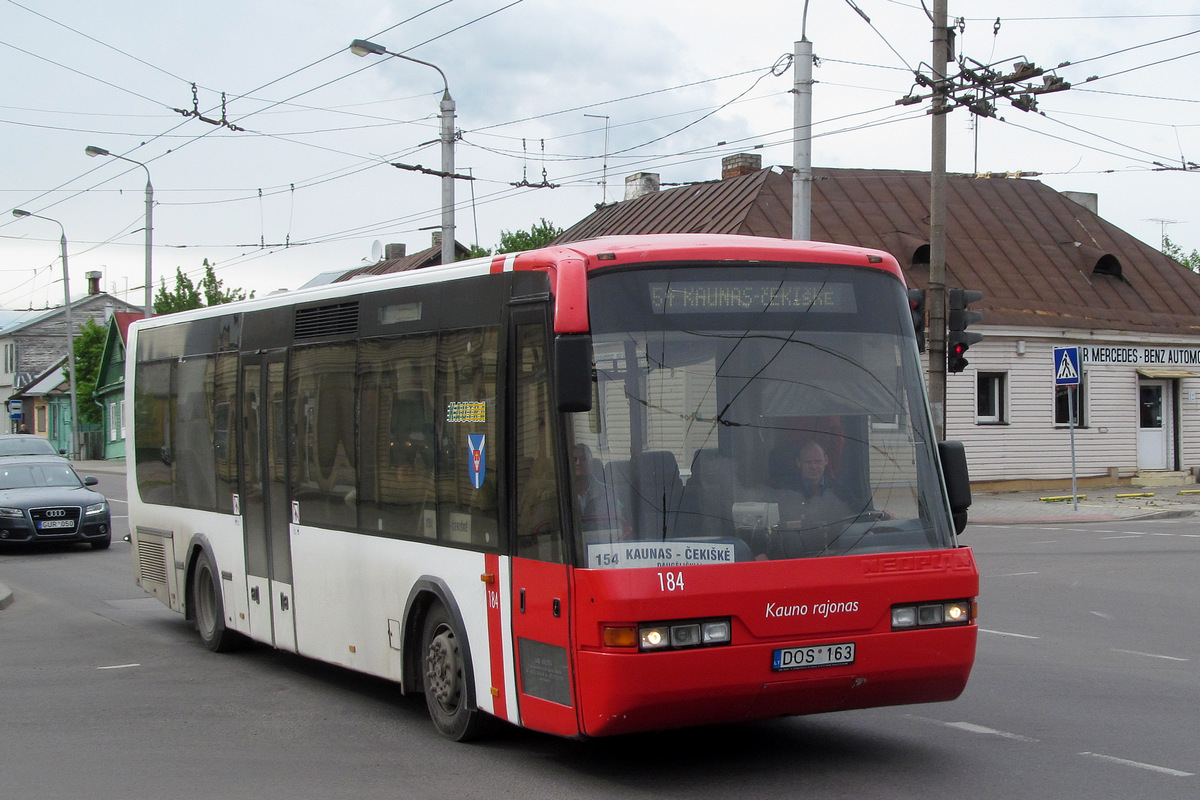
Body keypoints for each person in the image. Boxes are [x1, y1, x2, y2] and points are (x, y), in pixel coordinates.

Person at [778, 439, 852, 530]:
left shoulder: (840, 491)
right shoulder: (785, 491)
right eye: (808, 462)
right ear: (798, 462)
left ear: (826, 460)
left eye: (818, 461)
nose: (813, 467)